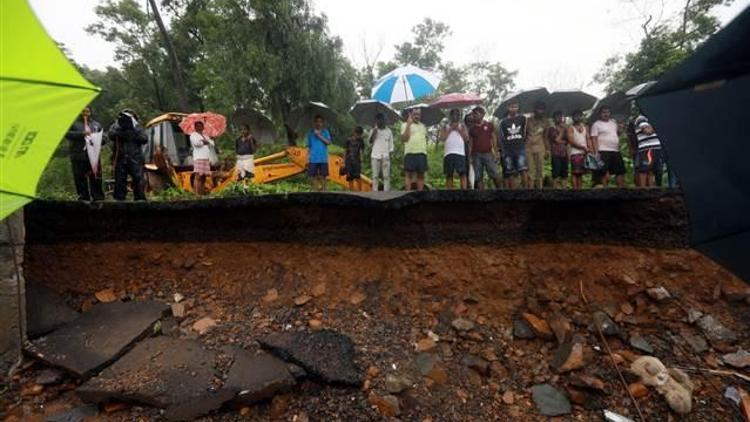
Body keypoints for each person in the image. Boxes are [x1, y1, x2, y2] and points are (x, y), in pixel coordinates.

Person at [66, 106, 104, 201]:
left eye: (87, 111)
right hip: (79, 155)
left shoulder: (96, 124)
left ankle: (97, 198)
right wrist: (82, 134)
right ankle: (83, 197)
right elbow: (67, 134)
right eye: (83, 111)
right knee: (80, 177)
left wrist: (98, 139)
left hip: (93, 155)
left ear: (90, 112)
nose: (85, 113)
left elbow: (104, 137)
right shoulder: (74, 124)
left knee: (96, 177)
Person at [109, 109, 148, 201]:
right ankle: (119, 199)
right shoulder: (116, 125)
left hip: (135, 157)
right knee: (120, 180)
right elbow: (111, 135)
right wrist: (121, 133)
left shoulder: (137, 127)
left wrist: (133, 134)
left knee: (138, 178)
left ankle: (140, 199)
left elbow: (144, 139)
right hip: (120, 157)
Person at [590, 106, 625, 187]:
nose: (606, 114)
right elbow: (594, 139)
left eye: (608, 112)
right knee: (603, 172)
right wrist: (596, 153)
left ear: (610, 113)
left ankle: (621, 190)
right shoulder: (596, 124)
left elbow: (617, 134)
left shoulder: (613, 123)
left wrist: (621, 128)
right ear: (600, 114)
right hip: (603, 151)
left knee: (620, 171)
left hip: (615, 150)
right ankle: (605, 191)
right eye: (604, 112)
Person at [468, 107, 501, 190]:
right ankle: (482, 196)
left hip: (488, 153)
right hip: (476, 155)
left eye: (476, 114)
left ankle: (501, 192)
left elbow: (493, 139)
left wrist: (496, 152)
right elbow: (470, 143)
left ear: (482, 114)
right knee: (478, 176)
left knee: (494, 174)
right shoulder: (471, 129)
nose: (474, 116)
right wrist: (469, 156)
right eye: (473, 114)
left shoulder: (489, 125)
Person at [498, 99, 528, 189]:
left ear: (518, 107)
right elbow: (501, 136)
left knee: (523, 169)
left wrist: (524, 143)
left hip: (520, 147)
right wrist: (502, 150)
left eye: (515, 107)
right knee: (510, 172)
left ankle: (526, 191)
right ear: (508, 108)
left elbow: (526, 132)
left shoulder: (523, 118)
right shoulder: (503, 122)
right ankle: (513, 193)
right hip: (508, 149)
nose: (513, 109)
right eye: (511, 107)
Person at [439, 109, 469, 189]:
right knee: (449, 174)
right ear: (450, 116)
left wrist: (459, 130)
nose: (455, 116)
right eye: (453, 114)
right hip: (448, 153)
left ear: (459, 116)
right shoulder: (445, 126)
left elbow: (466, 138)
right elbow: (442, 138)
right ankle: (449, 193)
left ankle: (464, 191)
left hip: (460, 153)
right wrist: (451, 129)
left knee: (462, 173)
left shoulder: (462, 126)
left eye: (457, 114)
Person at [400, 108, 429, 191]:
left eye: (418, 114)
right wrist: (408, 124)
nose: (417, 116)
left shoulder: (423, 126)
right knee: (408, 175)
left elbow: (425, 139)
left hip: (422, 153)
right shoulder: (404, 125)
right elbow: (404, 139)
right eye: (415, 114)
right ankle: (407, 194)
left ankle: (420, 195)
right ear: (410, 114)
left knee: (421, 175)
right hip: (410, 153)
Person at [633, 114, 664, 187]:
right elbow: (648, 131)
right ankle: (643, 188)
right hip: (646, 148)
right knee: (644, 169)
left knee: (652, 170)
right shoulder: (641, 118)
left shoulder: (651, 118)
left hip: (656, 147)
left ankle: (651, 188)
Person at [526, 101, 551, 189]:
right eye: (538, 108)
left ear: (544, 110)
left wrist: (548, 150)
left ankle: (540, 192)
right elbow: (524, 135)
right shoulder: (527, 120)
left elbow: (546, 137)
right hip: (528, 148)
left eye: (542, 109)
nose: (540, 111)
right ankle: (530, 192)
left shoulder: (546, 122)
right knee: (530, 172)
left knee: (540, 171)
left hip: (540, 147)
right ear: (534, 109)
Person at [369, 113, 393, 191]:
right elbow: (369, 142)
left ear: (384, 120)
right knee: (375, 176)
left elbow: (391, 145)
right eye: (378, 119)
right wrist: (374, 132)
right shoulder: (373, 130)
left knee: (386, 177)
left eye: (381, 119)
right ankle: (375, 193)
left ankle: (386, 194)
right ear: (376, 121)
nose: (380, 121)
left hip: (385, 156)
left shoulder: (388, 131)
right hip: (375, 156)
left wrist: (389, 155)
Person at [307, 115, 332, 192]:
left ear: (322, 123)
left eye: (320, 122)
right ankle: (315, 190)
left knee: (323, 176)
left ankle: (324, 191)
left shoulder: (325, 132)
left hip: (323, 158)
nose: (319, 123)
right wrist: (307, 157)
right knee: (312, 176)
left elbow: (328, 142)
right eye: (317, 121)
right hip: (313, 158)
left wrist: (319, 135)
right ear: (314, 123)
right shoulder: (310, 133)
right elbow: (308, 146)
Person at [566, 110, 589, 190]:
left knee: (581, 173)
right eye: (575, 115)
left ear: (582, 116)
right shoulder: (570, 127)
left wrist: (589, 149)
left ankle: (580, 190)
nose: (577, 117)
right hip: (575, 153)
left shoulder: (585, 127)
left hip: (584, 153)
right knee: (575, 172)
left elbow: (587, 139)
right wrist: (583, 147)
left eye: (579, 115)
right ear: (573, 117)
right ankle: (575, 190)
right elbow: (571, 141)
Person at [190, 121, 215, 196]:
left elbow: (212, 144)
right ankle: (197, 194)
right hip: (198, 157)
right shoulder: (193, 135)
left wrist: (205, 140)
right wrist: (204, 142)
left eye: (200, 126)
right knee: (198, 176)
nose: (199, 127)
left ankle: (201, 193)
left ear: (203, 127)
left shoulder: (205, 135)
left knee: (203, 176)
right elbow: (196, 143)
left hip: (206, 158)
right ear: (195, 127)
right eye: (197, 126)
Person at [547, 111, 569, 189]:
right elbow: (556, 139)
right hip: (555, 153)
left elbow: (568, 140)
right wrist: (562, 131)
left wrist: (563, 138)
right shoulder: (551, 129)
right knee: (555, 172)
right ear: (554, 118)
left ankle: (564, 188)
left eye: (560, 116)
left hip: (564, 153)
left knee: (565, 173)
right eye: (557, 116)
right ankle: (555, 189)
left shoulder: (566, 128)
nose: (559, 118)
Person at [345, 126, 365, 191]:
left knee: (357, 177)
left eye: (360, 135)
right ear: (354, 133)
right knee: (350, 178)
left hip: (357, 161)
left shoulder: (361, 140)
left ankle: (360, 193)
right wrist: (343, 162)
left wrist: (362, 160)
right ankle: (351, 193)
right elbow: (345, 151)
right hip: (349, 161)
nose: (358, 136)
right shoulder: (348, 140)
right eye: (357, 134)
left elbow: (362, 150)